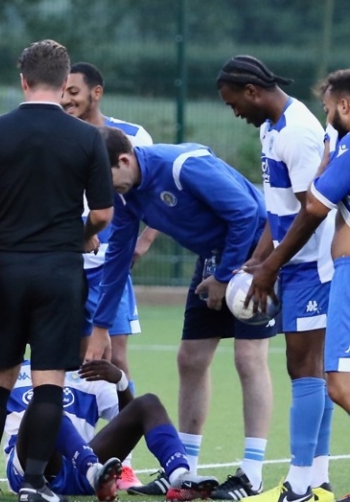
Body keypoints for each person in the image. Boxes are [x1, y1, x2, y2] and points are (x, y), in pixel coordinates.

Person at [0, 39, 114, 502]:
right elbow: (103, 216)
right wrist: (78, 233)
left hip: (7, 268)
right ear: (65, 81)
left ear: (23, 80)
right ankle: (32, 483)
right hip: (60, 271)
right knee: (49, 379)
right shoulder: (87, 137)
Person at [93, 127, 276, 499]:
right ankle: (185, 471)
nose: (107, 192)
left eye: (107, 179)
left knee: (248, 357)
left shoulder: (182, 167)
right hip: (213, 255)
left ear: (124, 161)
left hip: (257, 251)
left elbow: (248, 212)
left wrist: (226, 277)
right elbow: (117, 259)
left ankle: (252, 473)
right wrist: (100, 326)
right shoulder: (126, 195)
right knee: (190, 358)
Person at [244, 69, 350, 502]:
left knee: (341, 384)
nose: (327, 119)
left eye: (329, 110)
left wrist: (326, 160)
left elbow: (315, 203)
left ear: (345, 105)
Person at [216, 55, 335, 502]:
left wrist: (272, 268)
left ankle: (300, 485)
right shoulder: (271, 128)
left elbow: (313, 211)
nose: (234, 112)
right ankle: (317, 479)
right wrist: (257, 258)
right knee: (311, 370)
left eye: (233, 104)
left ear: (252, 92)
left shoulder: (298, 131)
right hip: (295, 262)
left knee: (303, 367)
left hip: (314, 264)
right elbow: (280, 207)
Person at [0, 358, 219, 502]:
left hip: (85, 469)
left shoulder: (89, 373)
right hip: (33, 470)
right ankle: (94, 471)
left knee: (148, 403)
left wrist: (119, 382)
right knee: (46, 404)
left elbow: (130, 421)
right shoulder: (12, 373)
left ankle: (180, 476)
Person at [61, 61, 157, 490]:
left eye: (74, 92)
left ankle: (125, 461)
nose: (66, 99)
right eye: (62, 92)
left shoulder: (132, 136)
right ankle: (86, 458)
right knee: (77, 364)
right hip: (65, 267)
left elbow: (155, 189)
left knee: (115, 361)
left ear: (96, 93)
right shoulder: (59, 135)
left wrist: (143, 241)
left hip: (109, 271)